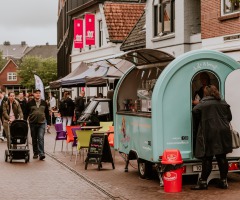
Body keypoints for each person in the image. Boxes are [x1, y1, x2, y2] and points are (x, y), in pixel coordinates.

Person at [191, 85, 232, 190]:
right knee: (222, 156)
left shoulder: (203, 104)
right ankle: (223, 181)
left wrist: (201, 121)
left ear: (206, 93)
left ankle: (203, 182)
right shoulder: (223, 103)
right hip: (224, 131)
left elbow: (194, 111)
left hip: (209, 131)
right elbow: (229, 117)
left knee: (207, 157)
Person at [26, 89, 50, 160]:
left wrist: (48, 123)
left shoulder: (44, 103)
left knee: (40, 137)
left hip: (42, 123)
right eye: (36, 93)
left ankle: (41, 153)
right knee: (34, 138)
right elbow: (26, 113)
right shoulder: (30, 103)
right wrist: (24, 122)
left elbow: (47, 113)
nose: (38, 94)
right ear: (34, 94)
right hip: (32, 123)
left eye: (39, 93)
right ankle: (35, 153)